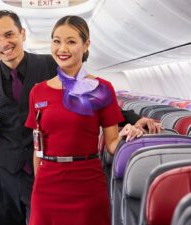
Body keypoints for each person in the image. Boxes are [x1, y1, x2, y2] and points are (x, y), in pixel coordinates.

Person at [0, 10, 159, 225]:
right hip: (3, 173)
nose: (3, 43)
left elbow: (93, 96)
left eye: (9, 34)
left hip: (45, 169)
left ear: (22, 34)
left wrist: (134, 119)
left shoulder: (52, 65)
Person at [25, 15, 141, 225]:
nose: (62, 48)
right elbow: (37, 148)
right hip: (47, 185)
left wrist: (127, 135)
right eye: (56, 40)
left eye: (71, 41)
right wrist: (37, 184)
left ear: (86, 45)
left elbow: (112, 142)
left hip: (87, 182)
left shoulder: (102, 89)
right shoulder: (38, 92)